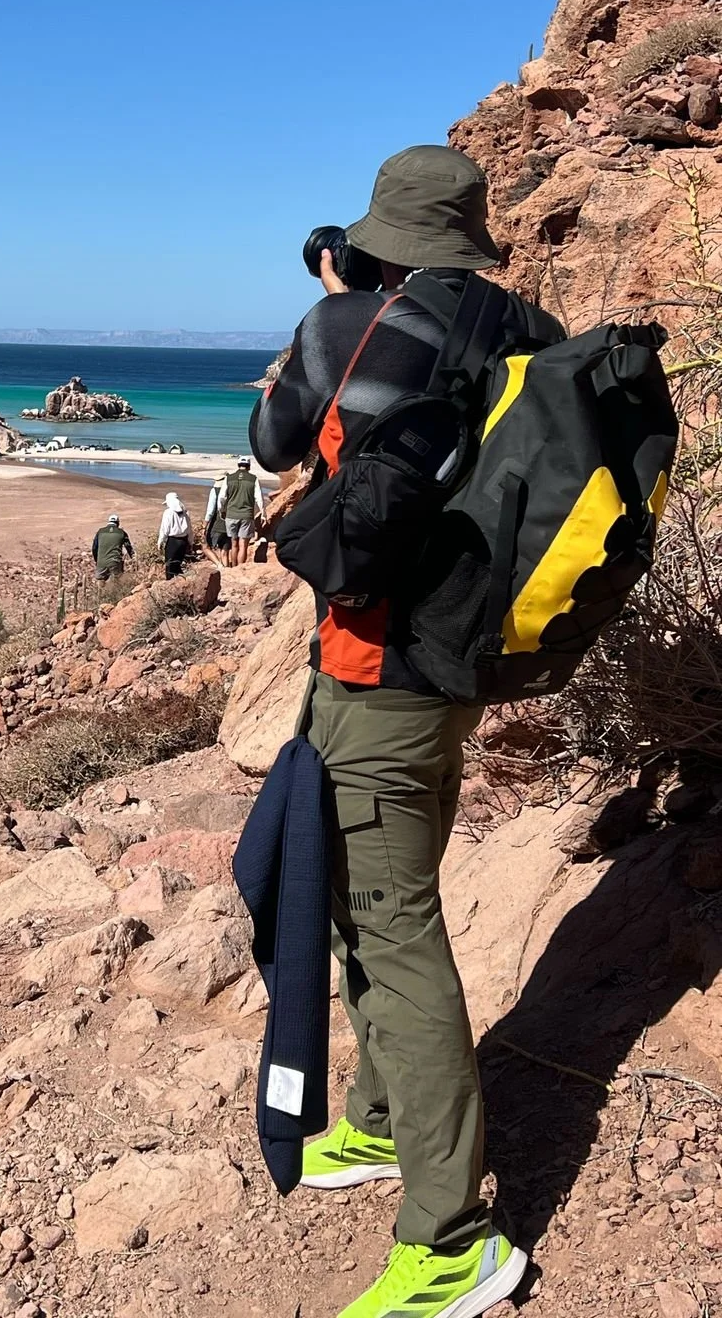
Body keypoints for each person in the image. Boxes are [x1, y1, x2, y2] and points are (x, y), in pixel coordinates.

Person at [249, 145, 564, 1318]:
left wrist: (336, 307)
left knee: (393, 931)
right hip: (458, 663)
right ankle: (382, 1121)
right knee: (373, 885)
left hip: (377, 671)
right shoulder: (527, 322)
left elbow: (274, 440)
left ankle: (452, 1239)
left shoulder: (354, 325)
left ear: (382, 236)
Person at [219, 455, 265, 566]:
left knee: (234, 544)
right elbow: (259, 498)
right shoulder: (253, 479)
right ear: (249, 466)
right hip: (246, 515)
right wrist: (263, 512)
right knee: (243, 545)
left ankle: (234, 566)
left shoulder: (229, 478)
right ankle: (240, 568)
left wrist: (221, 510)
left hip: (231, 515)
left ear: (238, 465)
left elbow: (222, 497)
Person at [156, 491, 192, 578]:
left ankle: (170, 584)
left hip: (173, 542)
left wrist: (160, 541)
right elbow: (189, 529)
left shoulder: (168, 512)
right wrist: (191, 542)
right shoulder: (185, 512)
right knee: (178, 564)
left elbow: (165, 529)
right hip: (184, 541)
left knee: (170, 565)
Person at [91, 513, 133, 581]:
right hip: (115, 563)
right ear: (118, 523)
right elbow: (129, 548)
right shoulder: (122, 532)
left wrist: (97, 561)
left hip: (101, 563)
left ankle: (101, 591)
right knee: (116, 582)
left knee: (100, 583)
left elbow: (94, 548)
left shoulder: (100, 532)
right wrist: (133, 559)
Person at [203, 472, 232, 564]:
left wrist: (205, 525)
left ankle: (219, 565)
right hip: (229, 524)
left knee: (205, 547)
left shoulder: (215, 490)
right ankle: (226, 569)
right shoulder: (232, 490)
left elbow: (210, 511)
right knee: (225, 550)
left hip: (217, 524)